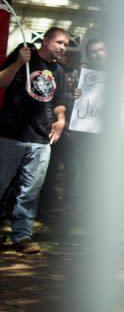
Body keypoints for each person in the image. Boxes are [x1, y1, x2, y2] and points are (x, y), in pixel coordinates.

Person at [0, 27, 70, 254]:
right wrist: (19, 63)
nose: (62, 47)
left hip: (41, 141)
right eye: (59, 42)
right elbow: (2, 82)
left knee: (29, 192)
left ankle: (22, 236)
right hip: (11, 136)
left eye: (66, 44)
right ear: (46, 40)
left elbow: (59, 101)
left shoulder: (59, 70)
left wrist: (60, 119)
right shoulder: (23, 56)